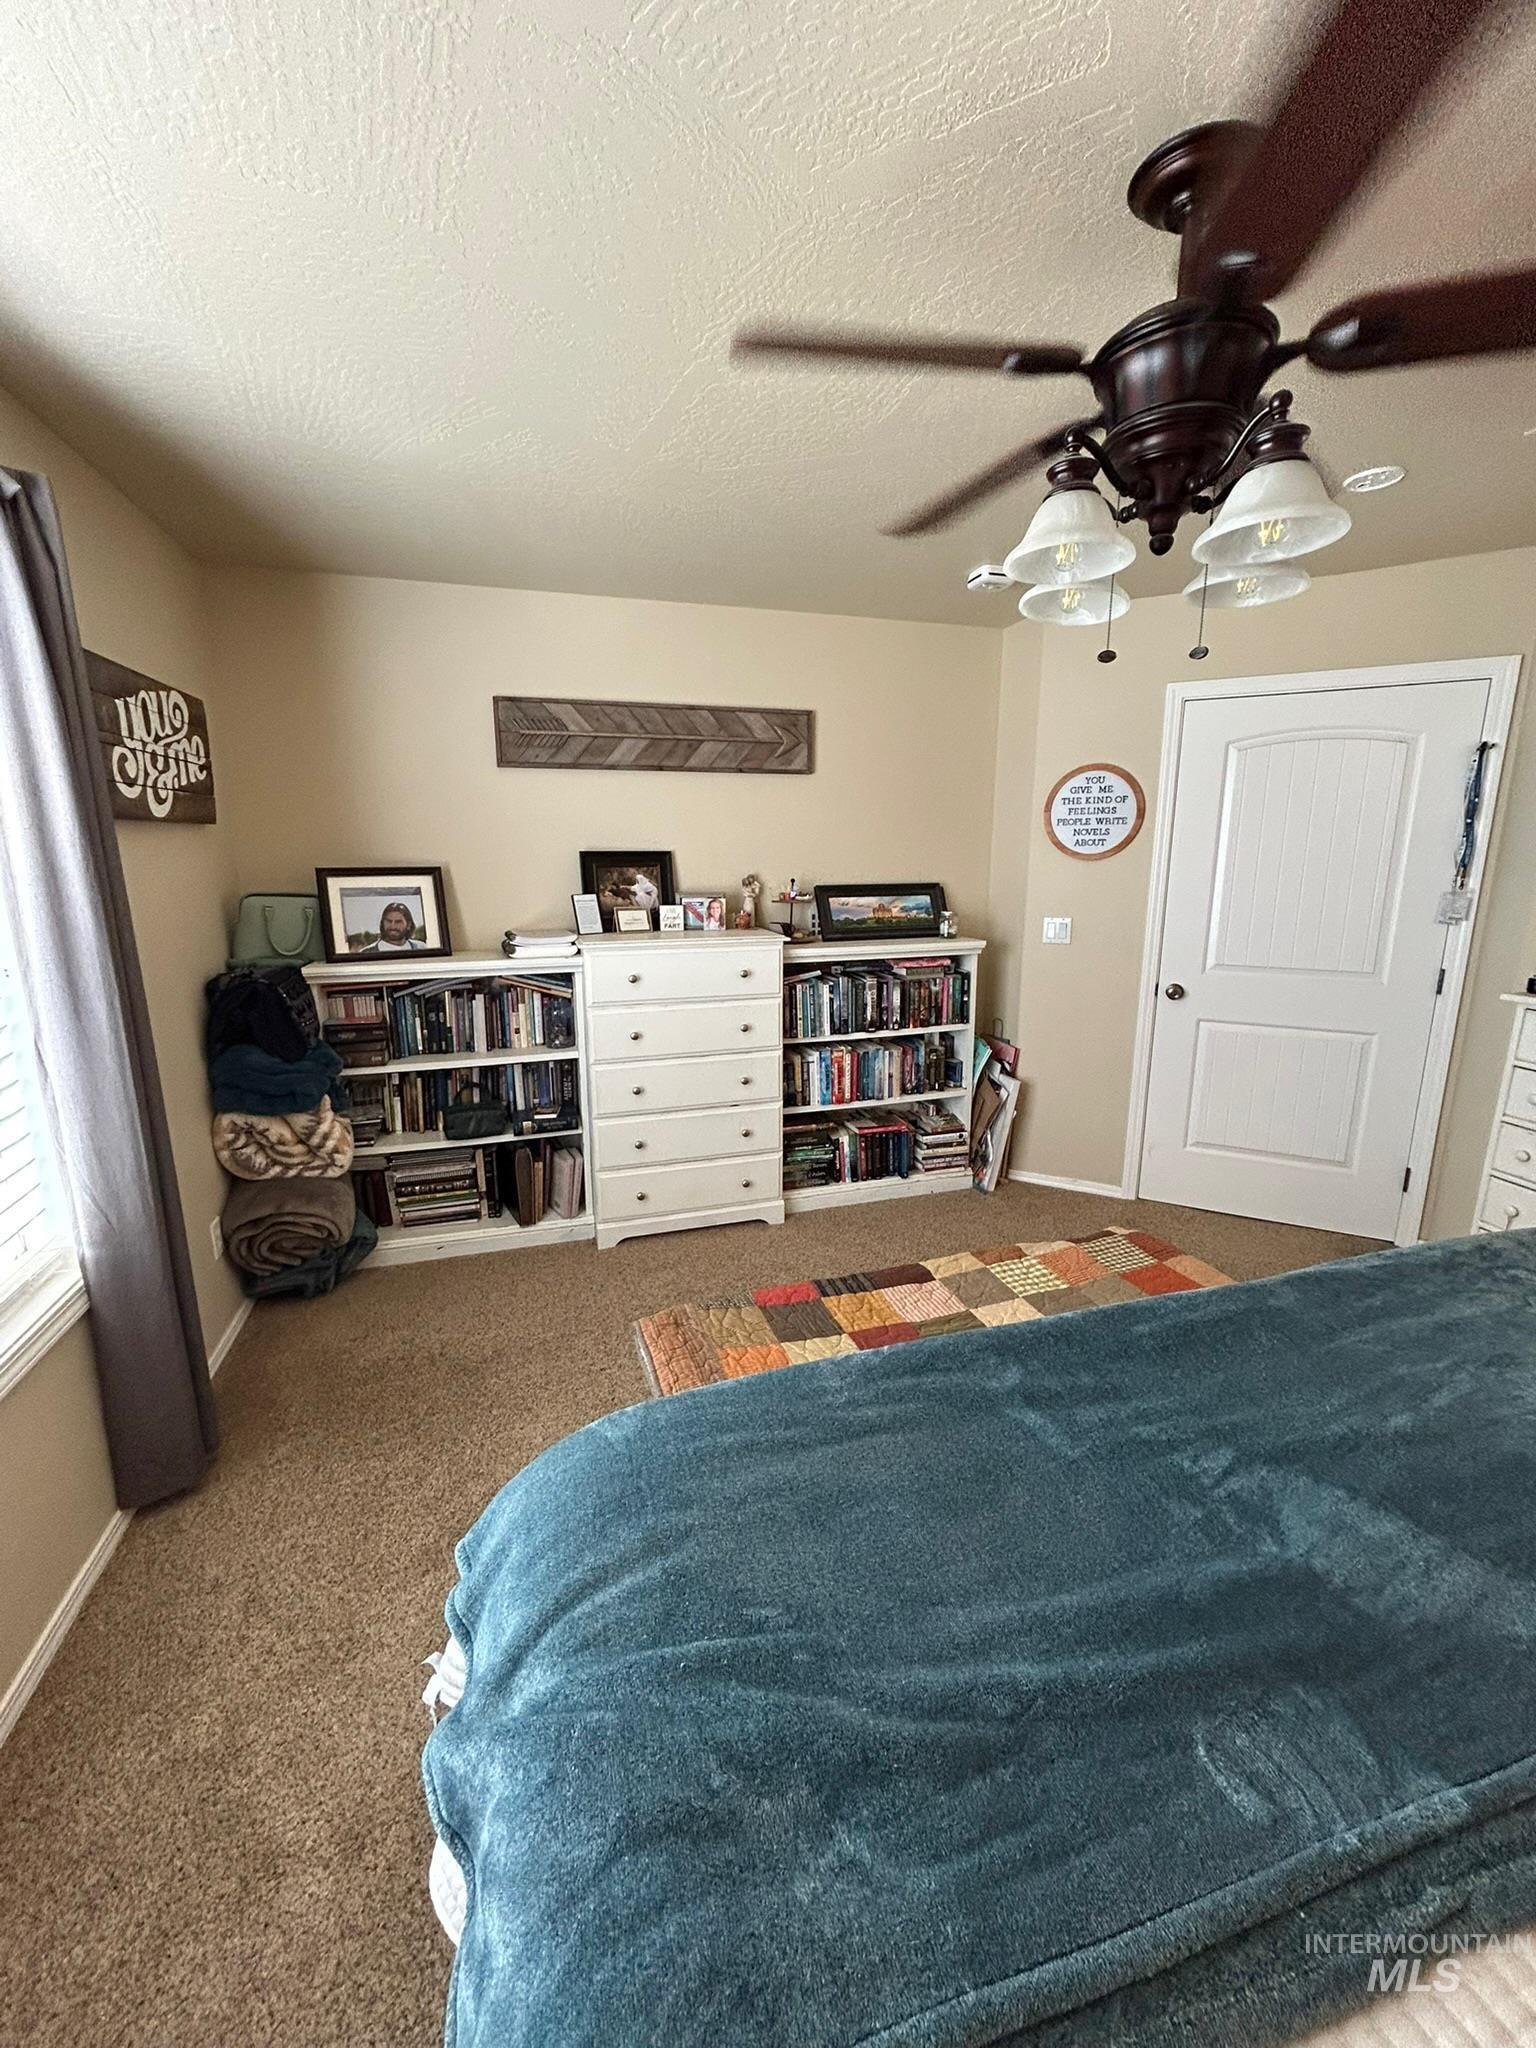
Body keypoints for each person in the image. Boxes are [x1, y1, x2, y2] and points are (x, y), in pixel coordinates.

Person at [360, 901, 426, 953]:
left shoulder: (421, 948)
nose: (393, 926)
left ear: (408, 925)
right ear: (382, 923)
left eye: (398, 922)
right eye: (389, 921)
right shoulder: (366, 953)